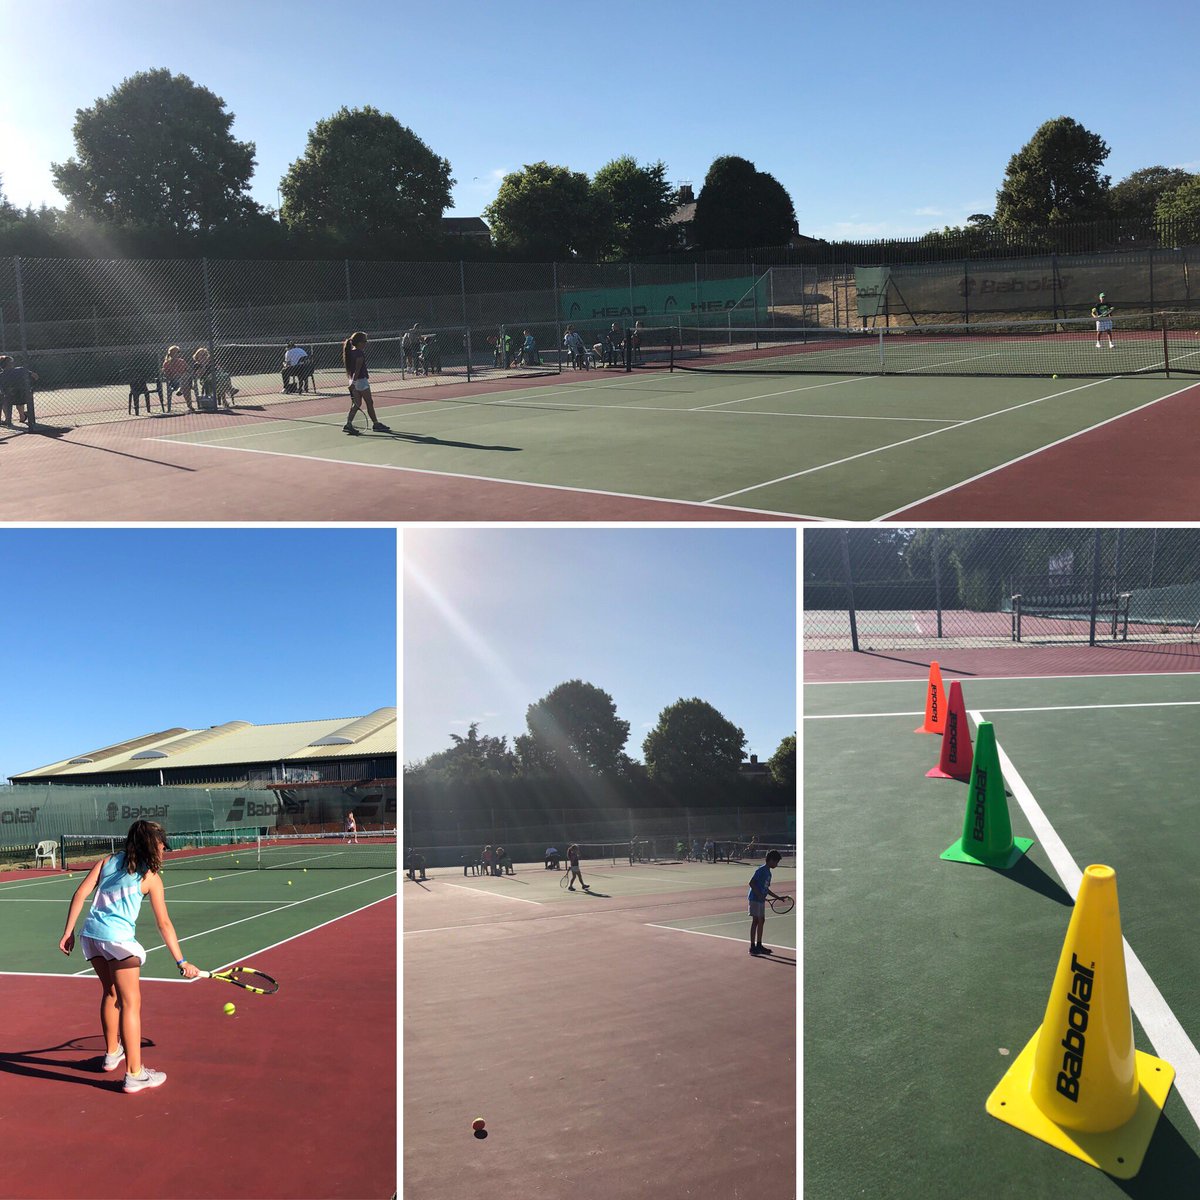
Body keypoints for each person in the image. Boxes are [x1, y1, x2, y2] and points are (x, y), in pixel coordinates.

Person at [58, 819, 201, 1093]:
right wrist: (182, 962)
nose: (163, 850)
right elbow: (164, 924)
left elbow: (80, 893)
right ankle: (135, 1073)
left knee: (111, 993)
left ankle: (112, 1052)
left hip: (92, 936)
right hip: (118, 942)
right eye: (162, 845)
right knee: (130, 1004)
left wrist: (68, 932)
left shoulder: (107, 862)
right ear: (152, 844)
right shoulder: (151, 878)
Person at [341, 331, 391, 435]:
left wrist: (352, 382)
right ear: (359, 343)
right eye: (364, 341)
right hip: (360, 381)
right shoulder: (359, 353)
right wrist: (354, 383)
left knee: (357, 403)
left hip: (354, 381)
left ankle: (348, 424)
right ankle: (376, 424)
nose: (366, 343)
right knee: (369, 402)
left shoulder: (351, 352)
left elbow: (353, 370)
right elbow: (357, 369)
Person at [747, 849, 785, 956]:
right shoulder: (761, 870)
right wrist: (759, 895)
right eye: (776, 862)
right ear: (771, 860)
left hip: (760, 900)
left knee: (761, 920)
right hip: (754, 899)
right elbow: (751, 883)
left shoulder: (768, 873)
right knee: (755, 921)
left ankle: (759, 945)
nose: (777, 864)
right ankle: (752, 947)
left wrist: (778, 897)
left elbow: (766, 889)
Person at [0, 355, 37, 425]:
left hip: (9, 397)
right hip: (24, 396)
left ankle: (8, 419)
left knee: (4, 398)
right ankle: (22, 416)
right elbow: (35, 376)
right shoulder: (21, 370)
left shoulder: (1, 375)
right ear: (11, 363)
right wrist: (31, 385)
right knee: (18, 395)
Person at [161, 345, 193, 411]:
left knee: (185, 378)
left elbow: (189, 371)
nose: (175, 354)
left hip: (185, 380)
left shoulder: (182, 361)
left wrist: (183, 375)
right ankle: (189, 406)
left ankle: (181, 389)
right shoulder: (166, 363)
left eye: (177, 352)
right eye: (173, 352)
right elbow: (167, 375)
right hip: (174, 382)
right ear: (170, 354)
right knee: (185, 386)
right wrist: (174, 375)